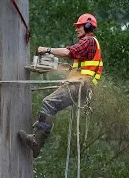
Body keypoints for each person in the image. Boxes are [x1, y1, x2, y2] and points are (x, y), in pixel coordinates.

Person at [18, 13, 103, 158]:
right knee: (51, 103)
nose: (76, 29)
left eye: (79, 26)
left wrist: (47, 50)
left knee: (49, 103)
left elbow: (70, 52)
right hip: (80, 86)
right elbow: (80, 67)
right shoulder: (89, 44)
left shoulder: (88, 41)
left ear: (88, 26)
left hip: (80, 85)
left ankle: (36, 141)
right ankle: (40, 128)